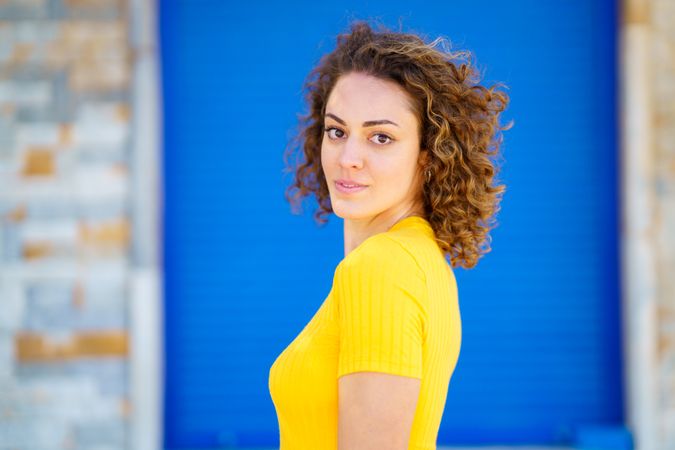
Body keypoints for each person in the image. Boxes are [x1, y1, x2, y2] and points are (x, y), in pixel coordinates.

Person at [269, 19, 511, 449]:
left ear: (430, 156)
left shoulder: (382, 268)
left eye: (380, 137)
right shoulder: (419, 259)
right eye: (337, 131)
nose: (348, 158)